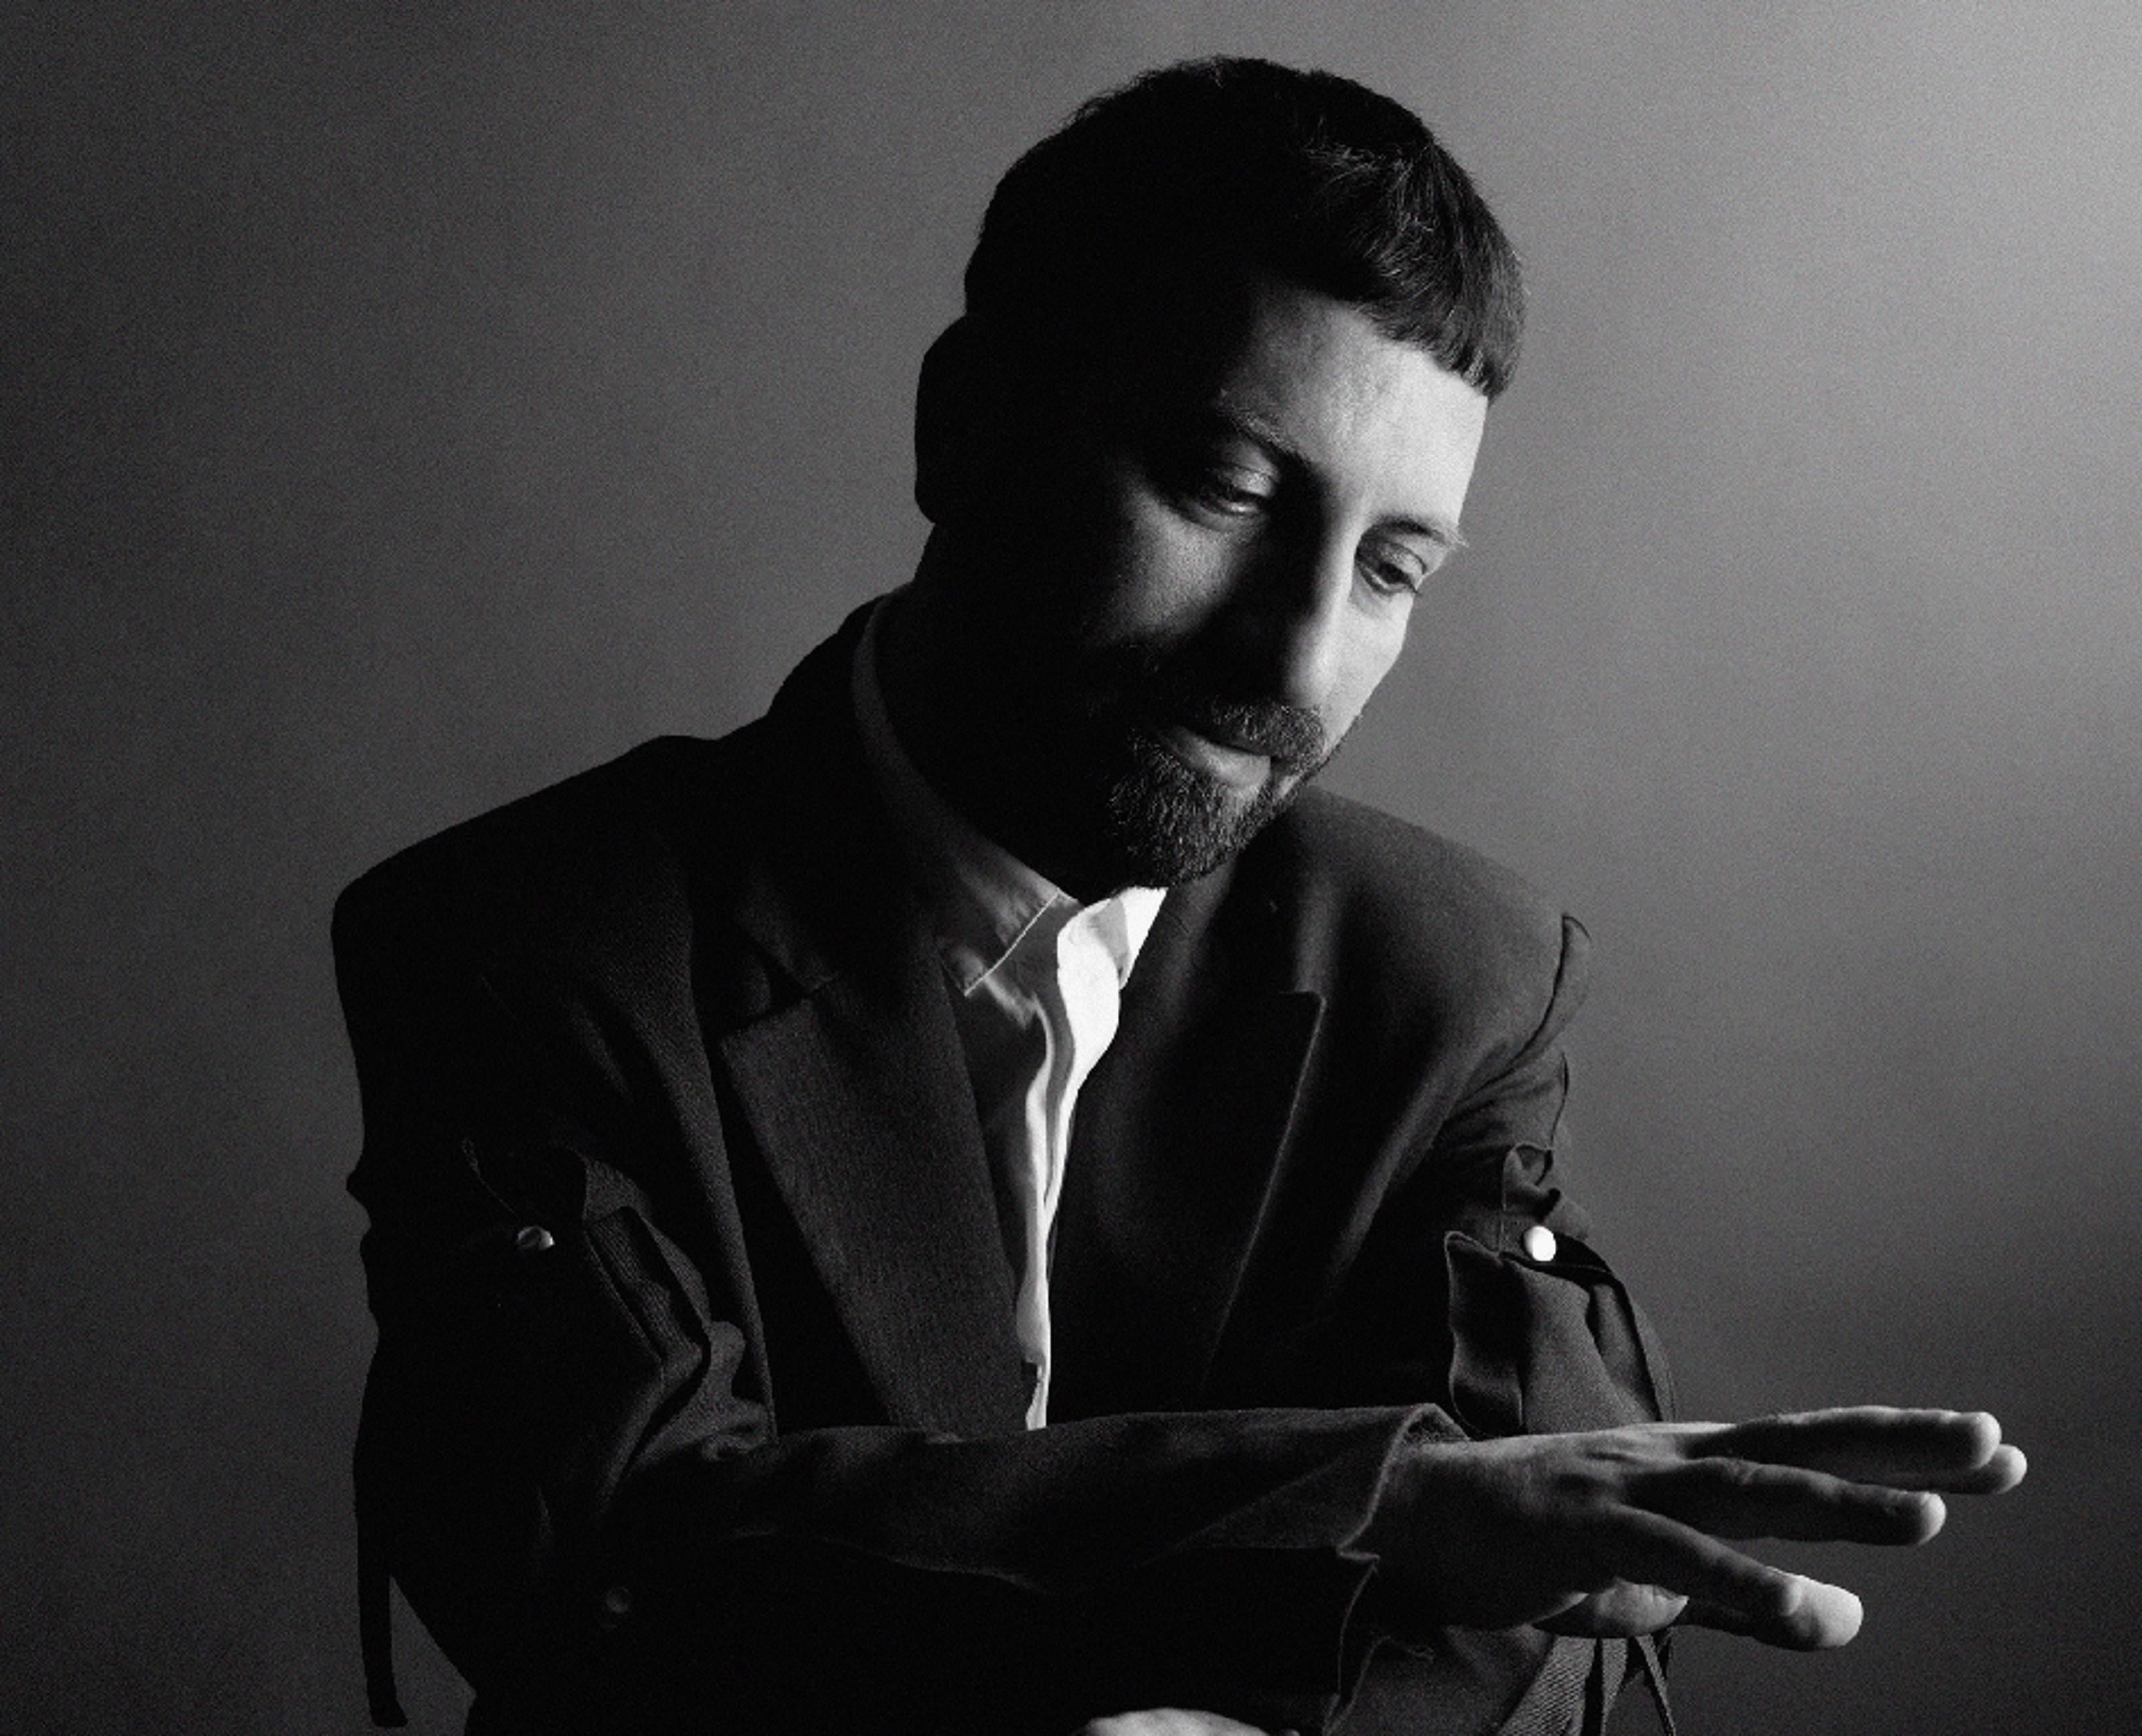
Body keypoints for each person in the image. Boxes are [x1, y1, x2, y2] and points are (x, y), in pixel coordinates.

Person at [334, 57, 2024, 1736]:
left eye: (1390, 568)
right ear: (966, 423)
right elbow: (610, 1570)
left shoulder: (1460, 977)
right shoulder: (520, 946)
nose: (1296, 653)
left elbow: (1558, 1610)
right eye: (1226, 492)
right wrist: (1368, 1508)